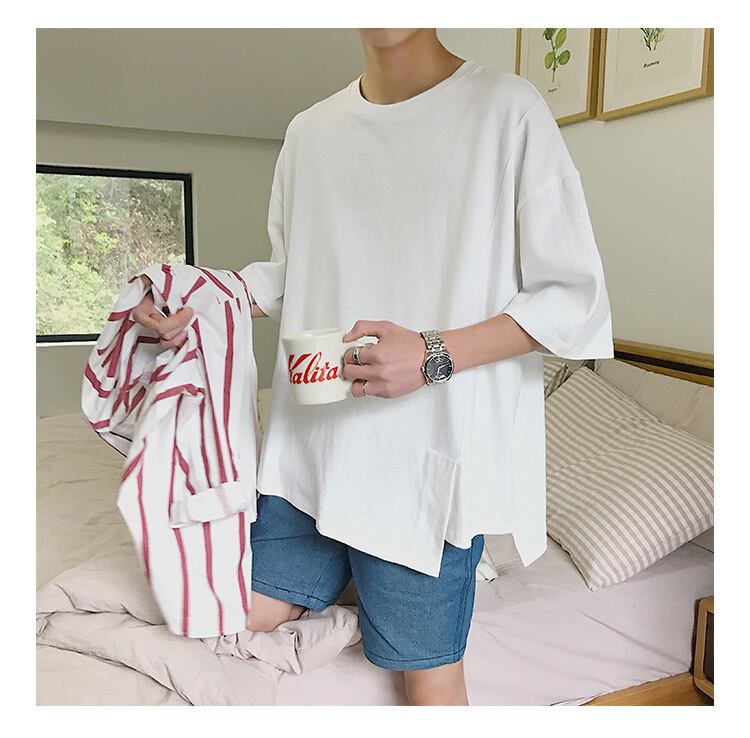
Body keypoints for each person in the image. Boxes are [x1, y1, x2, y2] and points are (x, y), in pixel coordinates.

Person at [133, 28, 613, 705]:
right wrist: (194, 303)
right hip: (308, 454)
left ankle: (396, 575)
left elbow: (572, 301)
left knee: (429, 684)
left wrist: (432, 353)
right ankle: (349, 573)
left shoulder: (507, 110)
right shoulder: (310, 132)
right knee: (237, 613)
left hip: (422, 469)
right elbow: (289, 275)